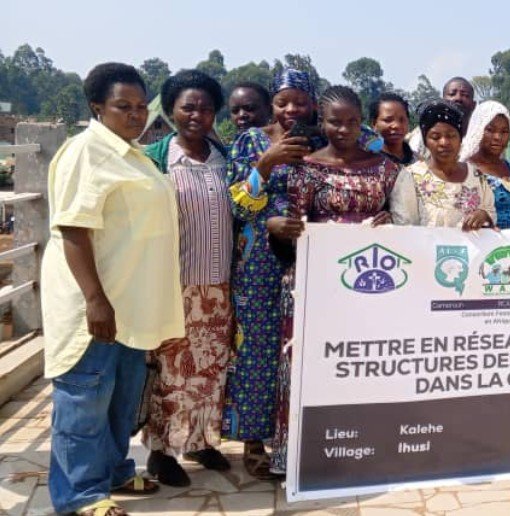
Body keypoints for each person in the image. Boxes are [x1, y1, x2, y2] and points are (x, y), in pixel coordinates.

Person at [42, 62, 181, 516]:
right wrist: (95, 301)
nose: (136, 115)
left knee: (120, 399)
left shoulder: (132, 153)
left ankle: (114, 470)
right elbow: (74, 230)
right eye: (124, 106)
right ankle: (80, 495)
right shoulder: (87, 151)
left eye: (142, 106)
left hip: (131, 304)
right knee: (85, 399)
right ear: (97, 107)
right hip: (98, 305)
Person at [269, 86, 400, 473]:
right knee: (306, 364)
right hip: (314, 281)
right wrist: (283, 227)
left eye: (352, 121)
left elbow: (405, 219)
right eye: (335, 122)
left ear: (363, 122)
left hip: (373, 281)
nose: (344, 129)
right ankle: (293, 457)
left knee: (363, 365)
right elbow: (289, 222)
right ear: (321, 123)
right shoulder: (305, 167)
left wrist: (390, 220)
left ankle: (361, 448)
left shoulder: (387, 168)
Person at [222, 68, 318, 480]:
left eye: (300, 101)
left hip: (311, 254)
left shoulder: (324, 139)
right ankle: (255, 440)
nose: (291, 109)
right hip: (260, 260)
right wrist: (266, 163)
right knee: (258, 350)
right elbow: (238, 205)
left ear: (312, 103)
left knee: (305, 347)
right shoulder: (250, 141)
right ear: (272, 105)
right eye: (283, 102)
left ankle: (299, 436)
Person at [139, 70, 233, 487]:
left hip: (219, 285)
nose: (197, 115)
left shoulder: (223, 159)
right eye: (188, 107)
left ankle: (199, 439)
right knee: (172, 372)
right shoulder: (157, 159)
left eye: (207, 108)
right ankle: (161, 451)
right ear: (171, 110)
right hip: (174, 285)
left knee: (211, 368)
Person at [391, 100, 496, 229]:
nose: (444, 142)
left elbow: (491, 214)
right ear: (425, 141)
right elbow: (404, 227)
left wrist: (484, 216)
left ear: (460, 138)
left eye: (451, 135)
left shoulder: (476, 176)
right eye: (435, 137)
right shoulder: (411, 177)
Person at [461, 100, 510, 229]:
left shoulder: (509, 167)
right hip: (483, 245)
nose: (498, 137)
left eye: (504, 131)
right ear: (478, 130)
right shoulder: (466, 170)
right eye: (490, 130)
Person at [405, 77, 477, 160]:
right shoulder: (423, 134)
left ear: (473, 105)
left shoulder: (479, 137)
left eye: (465, 95)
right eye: (452, 94)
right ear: (443, 100)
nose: (458, 98)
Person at [369, 92, 416, 166]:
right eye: (388, 120)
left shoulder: (419, 162)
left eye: (402, 120)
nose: (396, 125)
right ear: (374, 124)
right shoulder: (366, 162)